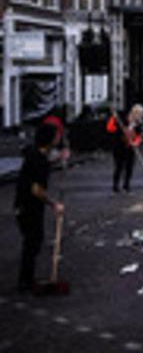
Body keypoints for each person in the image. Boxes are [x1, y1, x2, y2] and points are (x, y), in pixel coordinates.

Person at [14, 122, 65, 292]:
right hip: (27, 205)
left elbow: (47, 159)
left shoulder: (37, 155)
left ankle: (26, 278)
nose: (59, 138)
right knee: (33, 241)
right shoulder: (38, 160)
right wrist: (54, 204)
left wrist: (59, 158)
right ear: (49, 138)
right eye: (56, 135)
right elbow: (36, 189)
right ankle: (25, 281)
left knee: (33, 240)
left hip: (26, 204)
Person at [106, 104, 143, 192]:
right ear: (134, 113)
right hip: (119, 146)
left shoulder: (138, 124)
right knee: (119, 166)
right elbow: (110, 128)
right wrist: (113, 118)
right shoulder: (122, 120)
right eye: (139, 114)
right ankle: (115, 185)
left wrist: (136, 142)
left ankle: (126, 185)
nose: (140, 116)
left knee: (129, 167)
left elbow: (139, 136)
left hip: (130, 147)